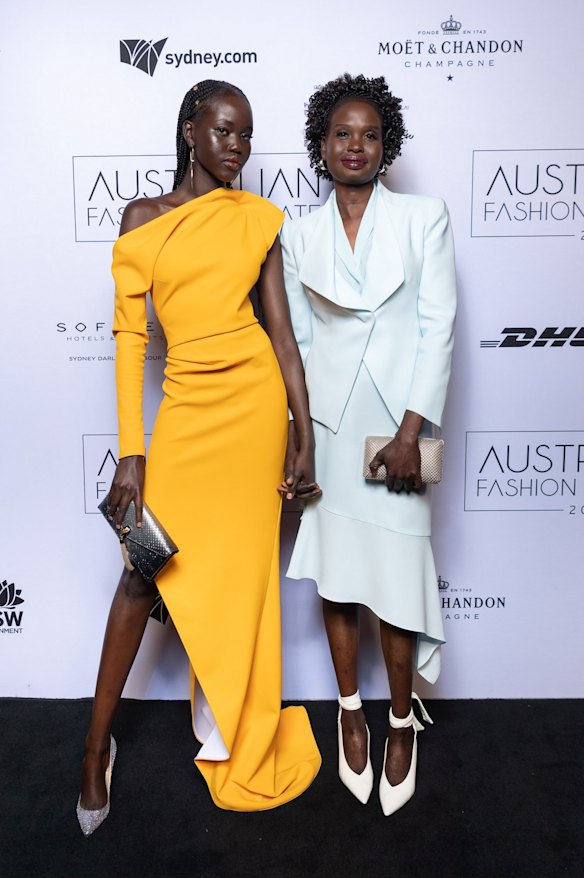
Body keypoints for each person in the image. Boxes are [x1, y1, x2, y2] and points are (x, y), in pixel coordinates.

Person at [77, 80, 322, 836]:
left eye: (246, 135)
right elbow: (129, 345)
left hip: (254, 416)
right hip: (186, 416)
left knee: (246, 581)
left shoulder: (258, 220)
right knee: (140, 571)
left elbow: (281, 337)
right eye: (223, 131)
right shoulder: (144, 219)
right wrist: (132, 455)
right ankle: (93, 751)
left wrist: (302, 429)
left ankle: (236, 721)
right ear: (190, 132)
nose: (238, 148)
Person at [280, 73, 456, 815]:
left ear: (388, 145)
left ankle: (397, 719)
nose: (356, 146)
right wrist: (302, 444)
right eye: (342, 134)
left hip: (396, 430)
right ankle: (349, 711)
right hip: (328, 427)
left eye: (370, 135)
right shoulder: (297, 235)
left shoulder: (424, 218)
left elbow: (436, 328)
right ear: (322, 144)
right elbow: (298, 343)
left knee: (398, 583)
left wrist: (414, 431)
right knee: (338, 579)